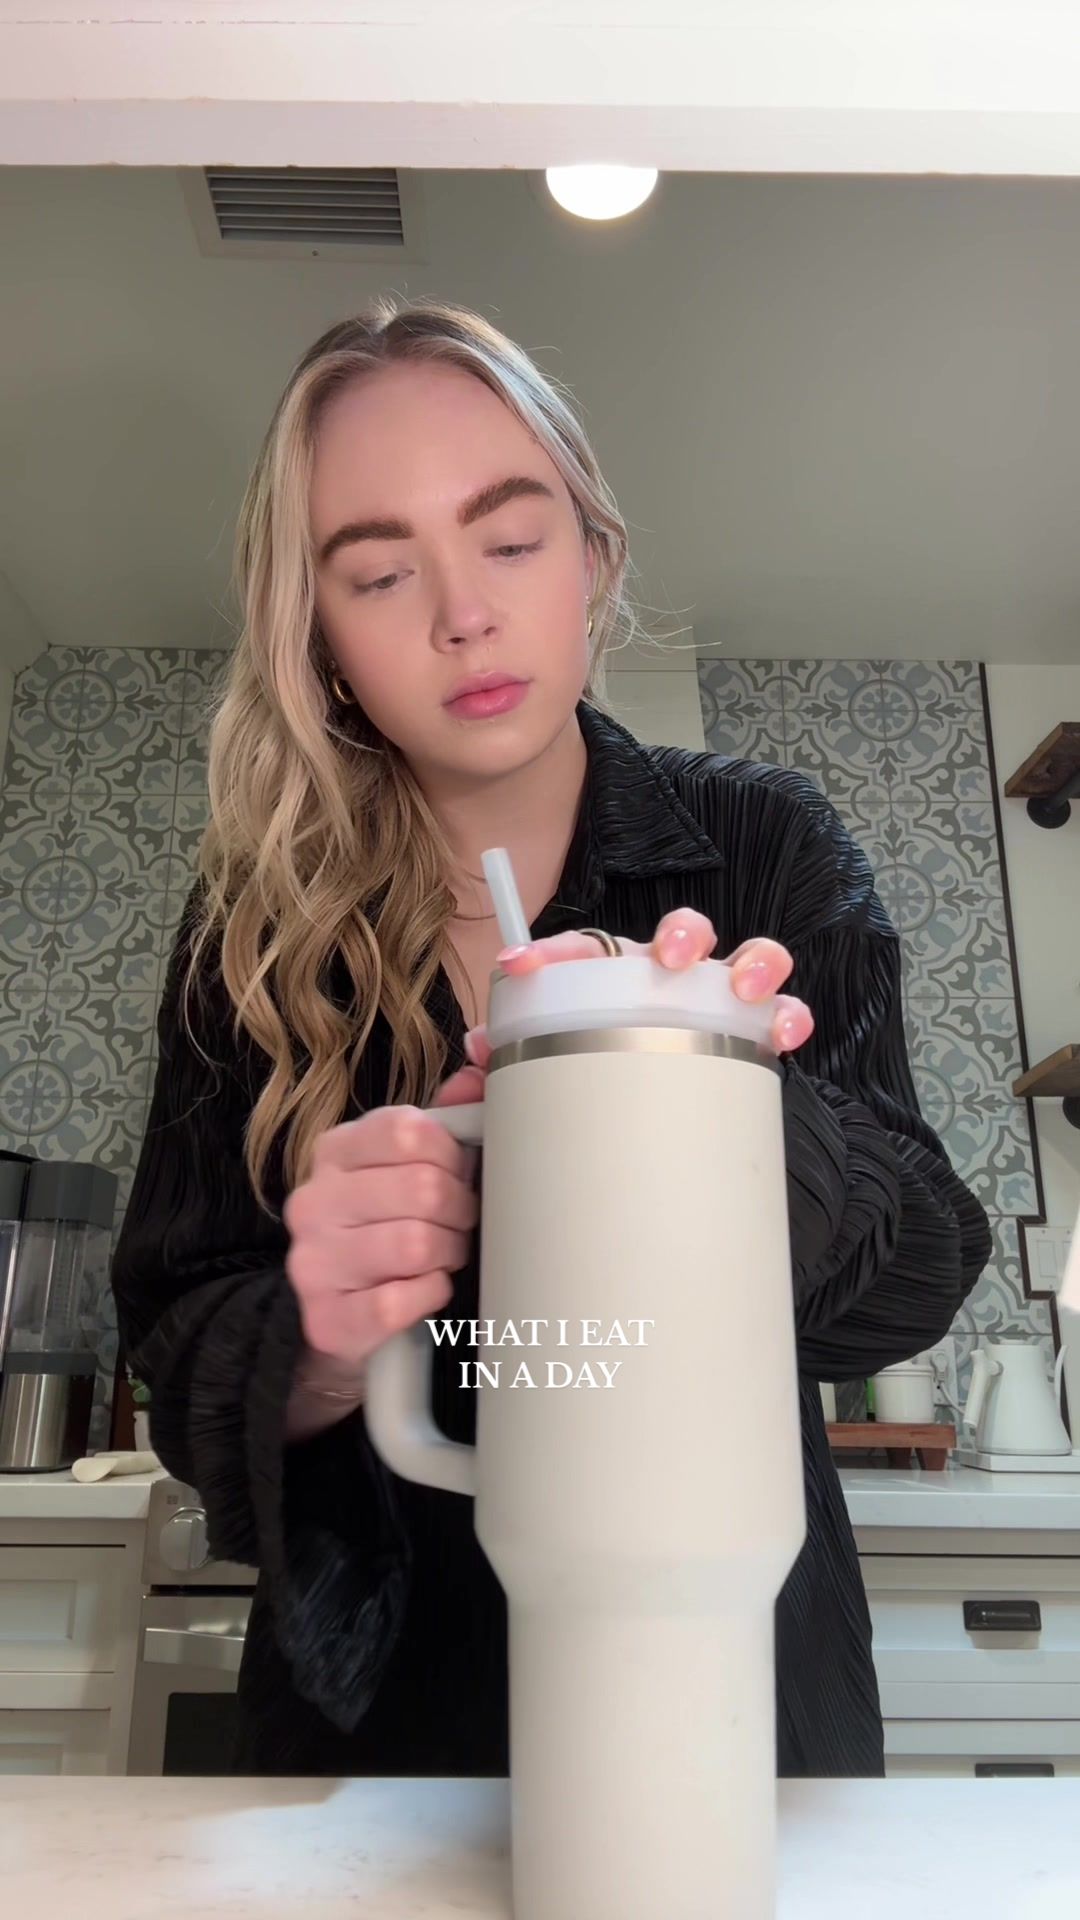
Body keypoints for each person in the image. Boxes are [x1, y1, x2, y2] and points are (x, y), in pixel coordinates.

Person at [111, 298, 991, 1780]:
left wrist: (708, 1095)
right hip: (369, 1739)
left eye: (511, 542)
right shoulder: (257, 927)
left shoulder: (762, 843)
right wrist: (320, 1335)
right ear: (319, 637)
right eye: (380, 573)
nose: (463, 614)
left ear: (594, 555)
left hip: (732, 1712)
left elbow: (917, 1278)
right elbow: (179, 1363)